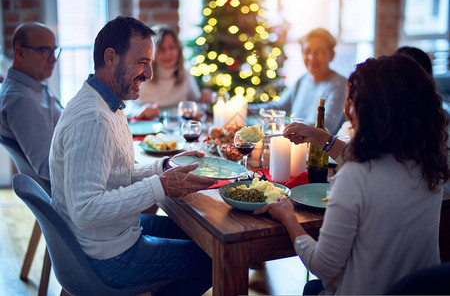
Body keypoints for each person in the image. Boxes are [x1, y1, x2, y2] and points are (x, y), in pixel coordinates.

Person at [256, 55, 449, 294]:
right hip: (422, 289)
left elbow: (323, 266)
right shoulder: (430, 162)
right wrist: (320, 137)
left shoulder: (355, 175)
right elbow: (372, 160)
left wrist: (289, 218)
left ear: (369, 110)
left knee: (312, 287)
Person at [50, 16, 216, 295]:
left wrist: (163, 166)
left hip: (112, 235)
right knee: (214, 260)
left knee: (205, 239)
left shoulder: (104, 103)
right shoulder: (94, 119)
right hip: (106, 256)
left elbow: (117, 174)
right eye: (142, 62)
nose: (149, 74)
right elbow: (86, 210)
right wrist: (160, 186)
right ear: (111, 57)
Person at [0, 22, 62, 182]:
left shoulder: (32, 86)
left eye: (54, 51)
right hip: (70, 193)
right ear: (20, 53)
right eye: (45, 51)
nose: (53, 59)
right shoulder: (21, 100)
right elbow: (47, 167)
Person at [255, 28, 347, 135]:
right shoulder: (303, 80)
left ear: (331, 55)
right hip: (297, 145)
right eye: (307, 52)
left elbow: (325, 128)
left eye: (319, 52)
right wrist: (246, 109)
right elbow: (279, 107)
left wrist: (288, 128)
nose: (312, 58)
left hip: (319, 150)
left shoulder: (340, 86)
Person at [125, 24, 211, 120]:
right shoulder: (141, 76)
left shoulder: (185, 74)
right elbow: (127, 110)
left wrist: (205, 97)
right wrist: (140, 111)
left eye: (172, 47)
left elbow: (198, 104)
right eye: (162, 49)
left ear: (178, 50)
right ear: (151, 52)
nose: (168, 54)